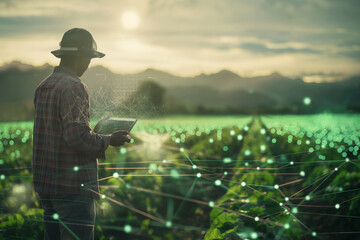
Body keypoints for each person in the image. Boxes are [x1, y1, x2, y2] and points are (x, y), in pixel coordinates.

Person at [32, 28, 130, 240]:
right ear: (80, 57)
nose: (88, 64)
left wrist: (92, 133)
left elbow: (60, 133)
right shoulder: (74, 86)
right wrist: (109, 140)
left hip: (47, 187)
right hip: (73, 188)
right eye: (88, 58)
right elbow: (76, 137)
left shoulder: (43, 87)